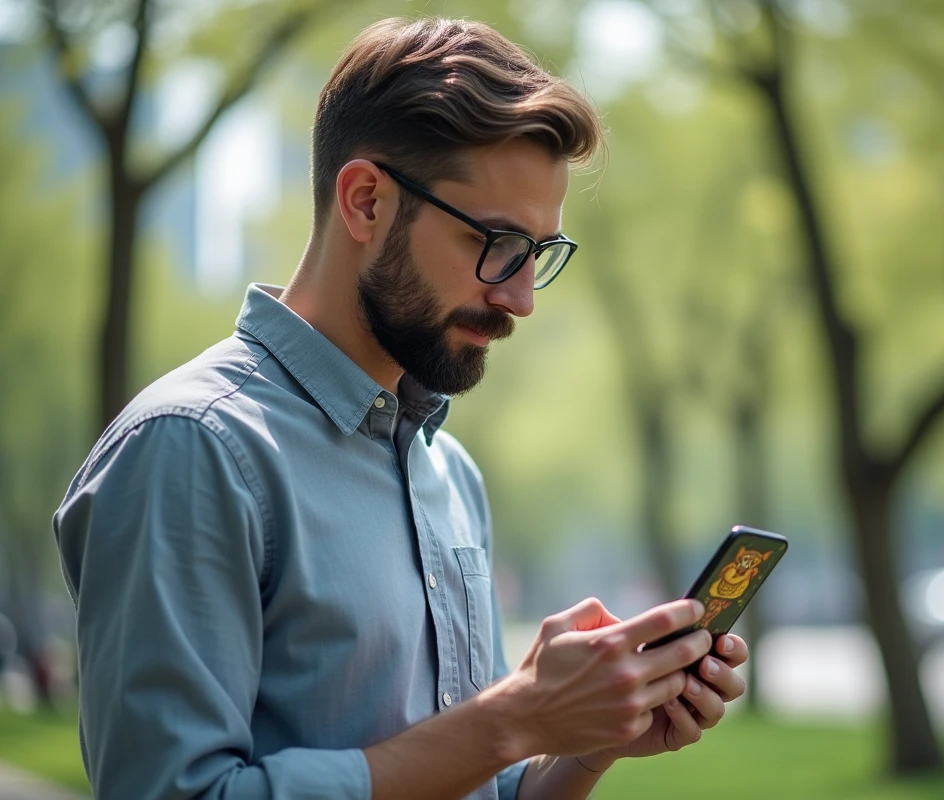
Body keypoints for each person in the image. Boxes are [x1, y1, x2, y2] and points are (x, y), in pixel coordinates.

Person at [53, 17, 748, 800]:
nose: (519, 298)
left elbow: (475, 784)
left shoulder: (447, 471)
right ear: (366, 201)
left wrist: (584, 742)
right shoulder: (190, 450)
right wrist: (512, 719)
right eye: (497, 243)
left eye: (538, 256)